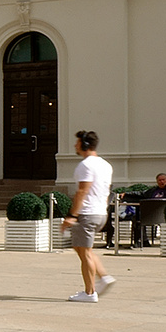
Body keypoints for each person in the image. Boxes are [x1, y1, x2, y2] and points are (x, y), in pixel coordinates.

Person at [61, 130, 116, 303]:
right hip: (100, 212)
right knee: (82, 249)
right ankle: (103, 277)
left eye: (77, 143)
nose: (74, 146)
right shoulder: (106, 165)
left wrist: (71, 215)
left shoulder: (85, 165)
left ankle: (90, 292)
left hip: (87, 213)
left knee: (84, 254)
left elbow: (82, 191)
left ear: (84, 145)